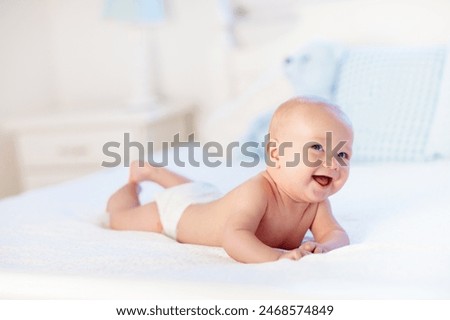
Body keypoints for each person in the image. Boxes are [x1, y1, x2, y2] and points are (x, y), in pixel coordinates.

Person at [106, 97, 353, 263]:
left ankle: (154, 172)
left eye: (342, 154)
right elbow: (234, 237)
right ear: (277, 154)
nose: (333, 163)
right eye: (317, 147)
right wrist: (277, 257)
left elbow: (335, 233)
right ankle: (132, 185)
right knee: (120, 219)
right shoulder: (258, 191)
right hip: (176, 214)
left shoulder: (316, 201)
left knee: (196, 192)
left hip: (207, 198)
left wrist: (326, 248)